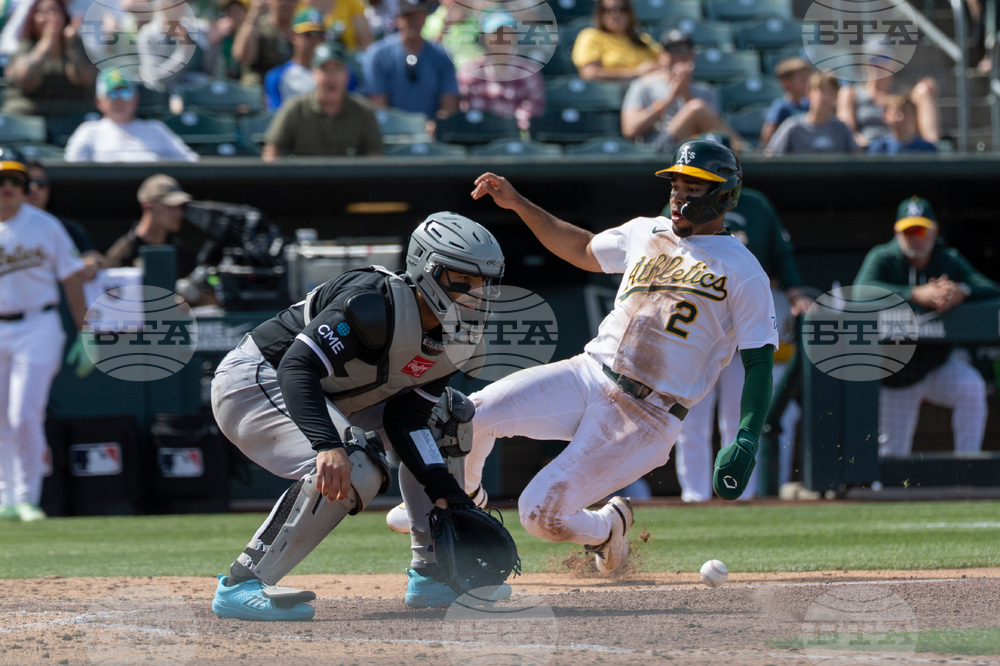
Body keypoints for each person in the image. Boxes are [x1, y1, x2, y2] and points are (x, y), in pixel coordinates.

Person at [452, 141, 777, 575]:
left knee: (538, 514)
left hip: (647, 414)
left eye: (694, 188)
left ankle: (606, 529)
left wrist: (747, 437)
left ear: (723, 195)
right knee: (470, 416)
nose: (679, 196)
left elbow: (759, 363)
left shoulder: (744, 269)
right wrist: (517, 204)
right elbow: (584, 250)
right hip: (589, 372)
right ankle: (463, 511)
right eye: (677, 184)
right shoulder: (648, 230)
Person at [209, 213, 510, 619]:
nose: (477, 294)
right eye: (463, 280)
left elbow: (408, 420)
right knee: (356, 466)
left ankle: (433, 576)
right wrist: (328, 445)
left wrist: (447, 491)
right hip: (255, 380)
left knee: (449, 419)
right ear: (428, 268)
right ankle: (241, 582)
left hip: (336, 399)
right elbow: (297, 368)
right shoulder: (374, 301)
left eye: (485, 283)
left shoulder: (464, 340)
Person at [666, 168, 811, 501]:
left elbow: (781, 254)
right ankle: (695, 496)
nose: (682, 193)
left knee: (739, 418)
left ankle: (741, 494)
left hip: (739, 324)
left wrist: (794, 290)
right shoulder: (676, 208)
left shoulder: (757, 205)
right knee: (691, 422)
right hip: (696, 332)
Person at [855, 197, 999, 458]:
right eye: (908, 230)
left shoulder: (948, 259)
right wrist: (914, 293)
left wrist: (962, 290)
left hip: (936, 366)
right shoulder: (884, 257)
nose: (915, 238)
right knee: (892, 457)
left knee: (971, 387)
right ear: (897, 232)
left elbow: (990, 288)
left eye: (920, 230)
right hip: (896, 375)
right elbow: (860, 292)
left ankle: (968, 469)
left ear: (934, 231)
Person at [0, 147, 88, 523]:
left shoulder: (44, 225)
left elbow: (71, 280)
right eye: (0, 180)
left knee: (24, 414)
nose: (7, 187)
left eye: (15, 180)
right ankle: (5, 497)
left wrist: (87, 332)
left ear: (25, 186)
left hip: (38, 324)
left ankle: (26, 496)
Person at [621, 30, 740, 153]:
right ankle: (741, 151)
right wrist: (669, 99)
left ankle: (739, 153)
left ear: (692, 56)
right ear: (661, 56)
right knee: (697, 107)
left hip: (698, 151)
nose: (678, 57)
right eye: (672, 51)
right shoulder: (643, 85)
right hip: (658, 147)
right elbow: (630, 130)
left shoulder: (706, 91)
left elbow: (712, 131)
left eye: (683, 51)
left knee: (697, 108)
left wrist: (685, 93)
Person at [263, 41, 382, 159]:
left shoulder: (363, 111)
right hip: (305, 176)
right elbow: (272, 150)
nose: (331, 77)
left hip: (349, 177)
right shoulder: (295, 108)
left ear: (347, 75)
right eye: (325, 70)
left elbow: (375, 156)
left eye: (337, 69)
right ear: (314, 74)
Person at [64, 69, 199, 163]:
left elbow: (189, 161)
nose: (119, 100)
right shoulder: (89, 131)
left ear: (136, 98)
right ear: (99, 101)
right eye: (112, 94)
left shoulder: (156, 129)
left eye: (125, 93)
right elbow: (72, 168)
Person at [363, 0, 459, 119]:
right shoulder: (378, 55)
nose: (414, 22)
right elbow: (378, 105)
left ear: (425, 18)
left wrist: (435, 125)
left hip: (431, 131)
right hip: (392, 131)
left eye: (418, 16)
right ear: (398, 19)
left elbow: (449, 104)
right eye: (408, 16)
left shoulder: (442, 56)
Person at [1, 0, 96, 117]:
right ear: (33, 18)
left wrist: (70, 45)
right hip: (29, 116)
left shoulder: (75, 45)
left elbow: (84, 80)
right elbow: (25, 80)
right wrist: (46, 43)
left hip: (70, 116)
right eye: (43, 12)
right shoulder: (25, 47)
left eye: (55, 11)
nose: (50, 18)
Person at [456, 12, 545, 131]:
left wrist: (512, 123)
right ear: (485, 37)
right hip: (477, 134)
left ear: (514, 36)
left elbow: (534, 106)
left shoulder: (528, 72)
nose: (501, 37)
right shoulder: (469, 71)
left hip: (513, 135)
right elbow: (462, 107)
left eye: (506, 32)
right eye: (496, 33)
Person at [25, 159, 105, 282]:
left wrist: (91, 263)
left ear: (48, 190)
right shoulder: (4, 227)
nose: (34, 188)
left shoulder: (61, 226)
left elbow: (95, 258)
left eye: (40, 183)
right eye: (28, 183)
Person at [837, 63, 939, 147]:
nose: (879, 64)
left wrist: (926, 88)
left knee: (924, 89)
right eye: (874, 58)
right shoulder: (852, 93)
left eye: (885, 58)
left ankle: (933, 151)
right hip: (866, 149)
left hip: (900, 145)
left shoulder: (903, 94)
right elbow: (847, 130)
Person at [765, 72, 857, 156]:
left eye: (831, 91)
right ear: (809, 93)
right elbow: (771, 157)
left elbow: (857, 158)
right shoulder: (792, 127)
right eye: (822, 91)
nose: (827, 97)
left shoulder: (841, 128)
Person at [571, 0, 660, 81]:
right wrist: (636, 72)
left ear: (630, 12)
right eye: (608, 10)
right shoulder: (590, 36)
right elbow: (589, 73)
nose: (615, 14)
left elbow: (665, 59)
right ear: (600, 13)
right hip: (613, 93)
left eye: (622, 9)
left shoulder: (642, 39)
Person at [264, 8, 327, 111]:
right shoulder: (277, 76)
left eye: (319, 34)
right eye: (308, 34)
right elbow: (275, 117)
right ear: (293, 35)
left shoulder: (336, 74)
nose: (315, 40)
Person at [233, 0, 298, 86]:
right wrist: (253, 16)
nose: (285, 4)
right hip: (258, 87)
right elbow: (243, 57)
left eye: (290, 1)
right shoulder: (256, 27)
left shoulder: (301, 32)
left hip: (291, 87)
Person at [760, 57, 811, 147]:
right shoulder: (781, 107)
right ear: (786, 83)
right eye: (803, 79)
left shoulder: (809, 105)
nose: (808, 83)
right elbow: (767, 139)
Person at [866, 95, 937, 154]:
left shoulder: (926, 148)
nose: (901, 117)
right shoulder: (880, 146)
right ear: (885, 116)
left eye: (906, 113)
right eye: (896, 113)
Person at [302, 0, 372, 51]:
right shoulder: (294, 4)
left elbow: (366, 44)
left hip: (346, 65)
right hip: (306, 67)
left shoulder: (351, 2)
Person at [208, 0, 250, 80]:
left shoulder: (250, 35)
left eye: (238, 10)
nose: (234, 14)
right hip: (221, 80)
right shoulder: (222, 34)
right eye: (230, 10)